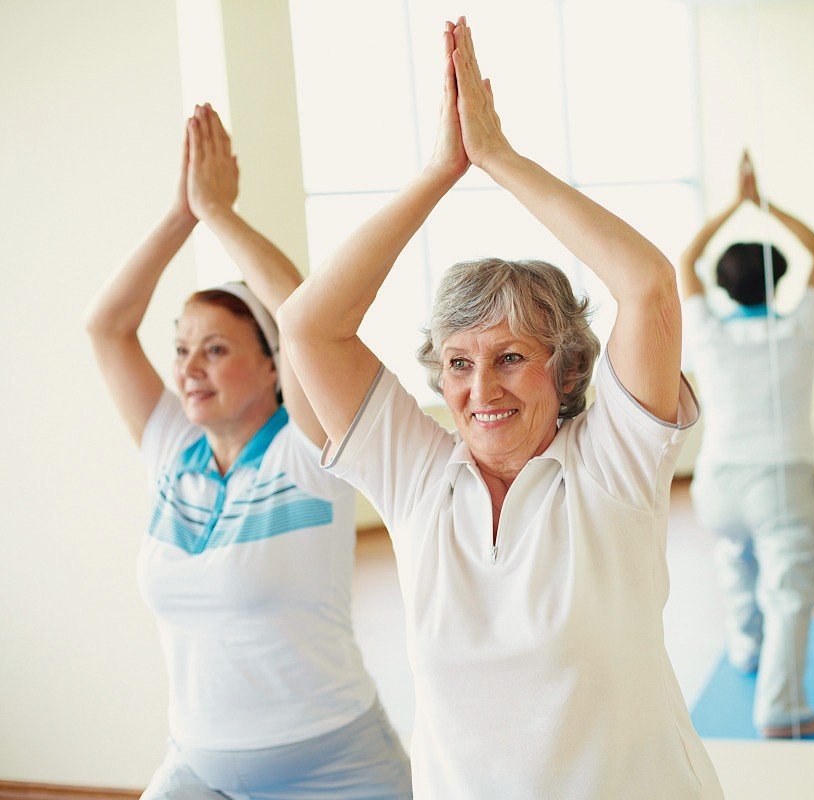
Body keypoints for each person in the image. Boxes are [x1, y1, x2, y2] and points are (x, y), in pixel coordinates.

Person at [276, 19, 723, 799]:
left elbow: (647, 284)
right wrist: (436, 173)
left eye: (511, 357)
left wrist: (499, 158)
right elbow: (309, 324)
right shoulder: (417, 475)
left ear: (567, 367)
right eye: (458, 363)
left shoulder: (613, 462)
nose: (480, 391)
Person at [85, 104, 412, 799]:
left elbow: (303, 310)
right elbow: (106, 327)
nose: (189, 368)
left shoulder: (308, 450)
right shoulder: (171, 447)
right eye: (181, 350)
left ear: (273, 365)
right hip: (199, 763)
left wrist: (219, 211)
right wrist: (182, 211)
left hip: (336, 766)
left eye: (216, 349)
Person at [676, 152, 814, 738]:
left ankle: (746, 650)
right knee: (789, 591)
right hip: (781, 480)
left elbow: (687, 258)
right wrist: (764, 204)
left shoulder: (709, 332)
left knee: (736, 562)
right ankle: (781, 707)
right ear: (781, 280)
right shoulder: (799, 326)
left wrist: (734, 206)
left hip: (717, 481)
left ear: (722, 285)